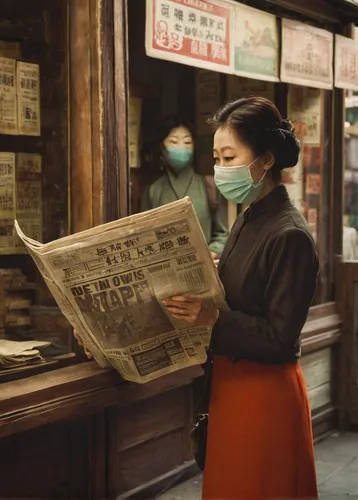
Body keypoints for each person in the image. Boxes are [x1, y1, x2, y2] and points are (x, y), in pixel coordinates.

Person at [163, 96, 319, 499]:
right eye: (216, 157)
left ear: (265, 160)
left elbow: (281, 338)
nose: (219, 169)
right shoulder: (247, 216)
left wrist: (213, 318)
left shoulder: (291, 234)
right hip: (230, 386)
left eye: (229, 157)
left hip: (265, 396)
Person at [141, 115, 228, 260]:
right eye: (174, 141)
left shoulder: (209, 186)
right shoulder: (153, 190)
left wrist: (210, 253)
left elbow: (222, 234)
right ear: (162, 147)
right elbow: (143, 238)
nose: (181, 147)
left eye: (187, 142)